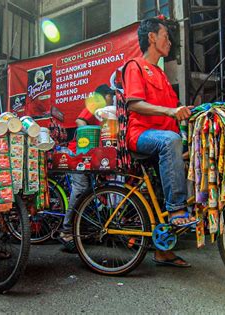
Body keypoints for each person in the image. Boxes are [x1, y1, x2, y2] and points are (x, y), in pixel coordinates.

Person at [122, 17, 196, 267]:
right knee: (170, 141)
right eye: (166, 35)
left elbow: (175, 108)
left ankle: (163, 250)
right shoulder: (135, 66)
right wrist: (169, 113)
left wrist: (190, 112)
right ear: (152, 37)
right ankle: (177, 210)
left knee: (165, 189)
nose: (170, 40)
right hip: (141, 135)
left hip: (165, 139)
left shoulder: (161, 74)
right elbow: (134, 104)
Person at [59, 84, 115, 253]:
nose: (112, 99)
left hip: (91, 156)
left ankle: (79, 229)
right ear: (105, 96)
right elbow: (79, 121)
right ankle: (66, 232)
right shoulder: (96, 105)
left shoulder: (106, 114)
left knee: (91, 190)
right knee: (81, 188)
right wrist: (93, 132)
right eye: (111, 96)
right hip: (79, 153)